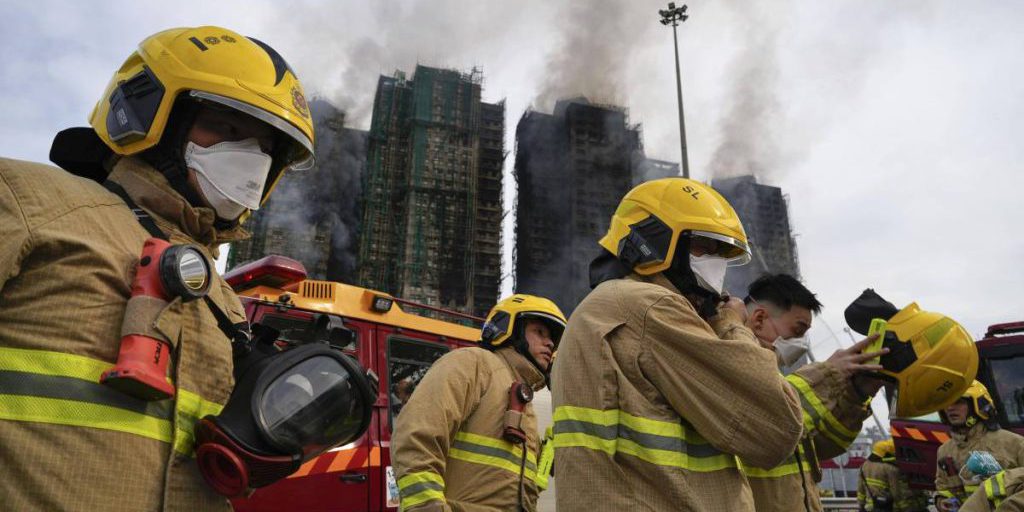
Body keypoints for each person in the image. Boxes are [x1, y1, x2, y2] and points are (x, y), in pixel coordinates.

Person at [0, 26, 315, 510]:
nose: (251, 161)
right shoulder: (25, 201)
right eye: (229, 128)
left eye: (266, 148)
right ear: (153, 115)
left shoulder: (223, 302)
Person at [551, 178, 805, 511]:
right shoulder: (649, 306)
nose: (715, 261)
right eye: (704, 246)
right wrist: (731, 326)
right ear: (654, 241)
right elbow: (778, 425)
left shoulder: (608, 307)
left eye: (720, 252)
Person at [391, 294, 567, 512]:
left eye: (552, 338)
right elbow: (416, 437)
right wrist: (426, 506)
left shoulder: (525, 401)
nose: (549, 342)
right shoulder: (472, 364)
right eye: (539, 332)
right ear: (510, 329)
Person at [739, 274, 887, 512]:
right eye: (797, 330)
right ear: (758, 319)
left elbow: (825, 446)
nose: (802, 343)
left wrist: (857, 393)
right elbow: (770, 423)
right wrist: (828, 374)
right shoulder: (726, 368)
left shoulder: (774, 378)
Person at [935, 381, 1024, 511]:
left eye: (958, 402)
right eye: (946, 404)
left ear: (978, 405)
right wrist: (941, 501)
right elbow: (943, 488)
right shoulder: (944, 451)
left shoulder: (1012, 442)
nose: (949, 408)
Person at [857, 439, 928, 511]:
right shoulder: (891, 469)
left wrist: (861, 506)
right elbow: (896, 492)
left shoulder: (864, 466)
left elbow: (860, 489)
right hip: (890, 508)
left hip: (871, 507)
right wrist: (906, 508)